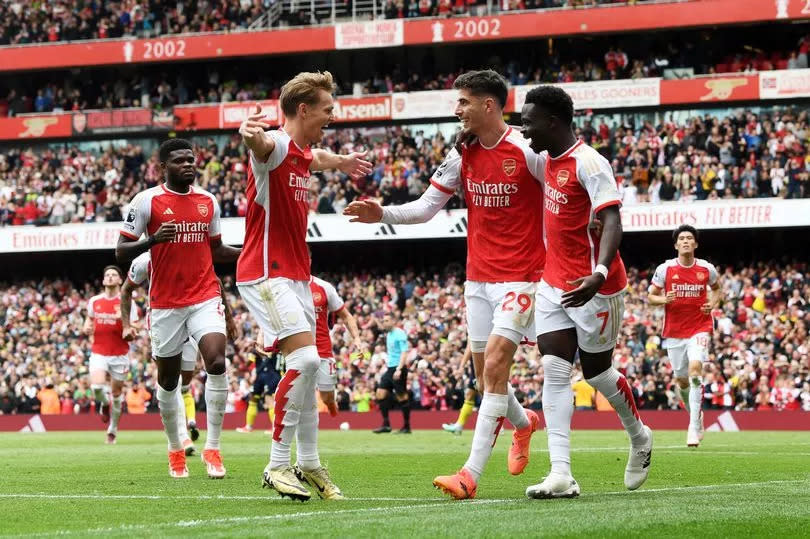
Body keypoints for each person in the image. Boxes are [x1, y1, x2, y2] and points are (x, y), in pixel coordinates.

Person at [345, 69, 543, 500]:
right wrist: (383, 214)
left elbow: (563, 198)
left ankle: (469, 475)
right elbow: (424, 208)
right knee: (483, 378)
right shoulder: (461, 156)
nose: (457, 110)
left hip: (522, 275)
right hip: (478, 278)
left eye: (464, 102)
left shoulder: (529, 150)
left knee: (494, 366)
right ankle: (524, 423)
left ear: (489, 105)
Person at [236, 71, 372, 501]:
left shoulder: (301, 153)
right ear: (303, 109)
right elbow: (259, 145)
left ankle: (310, 463)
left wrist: (344, 163)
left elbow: (320, 159)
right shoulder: (276, 147)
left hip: (296, 276)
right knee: (309, 360)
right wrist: (248, 133)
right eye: (327, 109)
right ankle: (277, 464)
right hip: (265, 273)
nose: (332, 116)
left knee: (309, 370)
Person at [520, 85, 653, 499]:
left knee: (596, 373)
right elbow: (502, 138)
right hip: (554, 283)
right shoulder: (545, 157)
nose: (524, 130)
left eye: (529, 121)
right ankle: (561, 473)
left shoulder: (590, 163)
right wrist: (473, 133)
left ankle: (640, 435)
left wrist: (598, 271)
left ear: (553, 122)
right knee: (554, 370)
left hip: (596, 288)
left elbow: (611, 220)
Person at [116, 138, 241, 479]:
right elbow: (120, 253)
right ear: (162, 168)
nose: (189, 165)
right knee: (168, 382)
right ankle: (175, 449)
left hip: (204, 296)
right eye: (180, 161)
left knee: (216, 361)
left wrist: (251, 253)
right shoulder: (146, 201)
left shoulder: (208, 201)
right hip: (166, 304)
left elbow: (216, 251)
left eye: (192, 160)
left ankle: (213, 449)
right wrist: (153, 240)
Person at [121, 252, 238, 455]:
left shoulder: (190, 248)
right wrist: (125, 325)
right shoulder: (144, 261)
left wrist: (228, 317)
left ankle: (191, 430)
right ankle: (182, 437)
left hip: (194, 317)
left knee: (184, 382)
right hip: (165, 319)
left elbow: (215, 281)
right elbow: (126, 289)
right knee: (170, 380)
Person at [648, 225, 722, 447]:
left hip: (699, 327)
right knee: (681, 380)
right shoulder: (665, 269)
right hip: (674, 332)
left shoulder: (707, 269)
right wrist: (664, 300)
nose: (686, 241)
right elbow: (651, 296)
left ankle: (692, 427)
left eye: (690, 238)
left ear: (696, 244)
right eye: (682, 238)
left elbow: (718, 289)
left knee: (695, 370)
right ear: (676, 245)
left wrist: (713, 302)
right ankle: (696, 415)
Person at [82, 265, 137, 444]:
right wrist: (86, 327)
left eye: (114, 275)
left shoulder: (127, 301)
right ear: (104, 280)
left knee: (117, 392)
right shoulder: (94, 301)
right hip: (99, 351)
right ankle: (104, 404)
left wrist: (129, 329)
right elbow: (88, 322)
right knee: (97, 387)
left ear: (120, 280)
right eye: (107, 275)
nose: (110, 277)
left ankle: (112, 430)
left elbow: (135, 327)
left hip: (120, 353)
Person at [310, 274, 361, 417]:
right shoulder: (285, 287)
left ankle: (331, 405)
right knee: (300, 397)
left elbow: (346, 316)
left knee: (326, 397)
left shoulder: (324, 287)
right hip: (297, 350)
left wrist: (356, 338)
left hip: (322, 351)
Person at [236, 330, 283, 434]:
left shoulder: (270, 347)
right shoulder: (257, 350)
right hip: (261, 376)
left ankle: (275, 427)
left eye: (260, 335)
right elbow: (248, 363)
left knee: (269, 400)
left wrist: (252, 351)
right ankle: (248, 427)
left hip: (271, 375)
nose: (259, 337)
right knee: (253, 399)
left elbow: (248, 363)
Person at [373, 314, 412, 434]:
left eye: (387, 320)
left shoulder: (400, 334)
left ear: (393, 321)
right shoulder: (389, 334)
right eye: (383, 321)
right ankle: (386, 425)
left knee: (402, 397)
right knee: (380, 393)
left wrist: (399, 369)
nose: (384, 323)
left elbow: (404, 352)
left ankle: (406, 427)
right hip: (390, 368)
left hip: (398, 368)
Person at [442, 344, 476, 434]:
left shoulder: (473, 330)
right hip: (476, 363)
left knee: (488, 394)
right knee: (470, 395)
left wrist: (462, 366)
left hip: (479, 363)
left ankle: (499, 426)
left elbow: (470, 345)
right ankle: (459, 425)